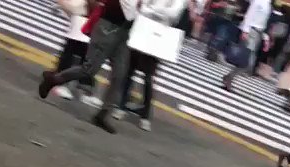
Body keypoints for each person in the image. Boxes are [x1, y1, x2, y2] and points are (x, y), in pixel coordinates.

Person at [38, 0, 140, 134]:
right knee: (89, 69)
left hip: (123, 32)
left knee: (120, 74)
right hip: (107, 27)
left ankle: (103, 114)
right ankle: (53, 79)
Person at [113, 0, 187, 131]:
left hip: (159, 36)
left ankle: (145, 116)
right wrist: (158, 13)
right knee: (130, 71)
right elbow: (143, 7)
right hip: (143, 29)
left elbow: (173, 14)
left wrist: (152, 10)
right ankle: (121, 106)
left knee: (148, 78)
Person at [50, 0, 99, 103]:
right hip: (83, 13)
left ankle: (85, 88)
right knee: (73, 49)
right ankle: (59, 82)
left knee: (86, 53)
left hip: (94, 16)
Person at [222, 0, 272, 92]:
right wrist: (245, 30)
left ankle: (229, 77)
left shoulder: (268, 4)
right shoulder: (258, 1)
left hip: (258, 33)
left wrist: (265, 37)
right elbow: (249, 15)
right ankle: (229, 78)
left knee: (247, 62)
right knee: (247, 61)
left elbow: (264, 23)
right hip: (251, 31)